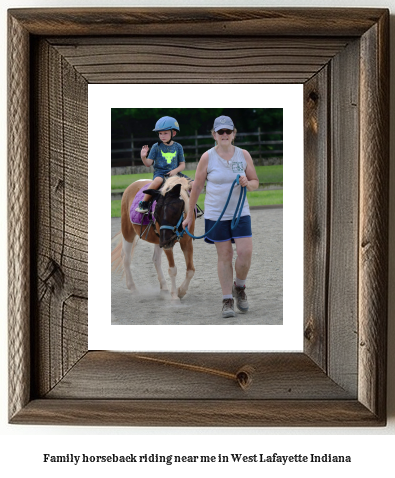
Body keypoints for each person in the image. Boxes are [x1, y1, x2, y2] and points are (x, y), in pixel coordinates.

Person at [182, 115, 259, 318]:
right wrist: (190, 215)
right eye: (220, 132)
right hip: (216, 214)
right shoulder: (207, 157)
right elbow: (197, 186)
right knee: (224, 255)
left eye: (228, 131)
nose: (224, 135)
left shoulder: (243, 155)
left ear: (233, 134)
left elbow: (255, 182)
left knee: (245, 253)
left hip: (240, 212)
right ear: (214, 135)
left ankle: (239, 287)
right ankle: (227, 299)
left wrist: (247, 183)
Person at [135, 116, 188, 213]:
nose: (162, 136)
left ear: (174, 133)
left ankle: (192, 206)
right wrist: (143, 157)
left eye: (165, 133)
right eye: (160, 133)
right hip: (160, 173)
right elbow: (148, 164)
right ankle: (144, 203)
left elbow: (182, 165)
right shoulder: (156, 147)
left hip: (175, 173)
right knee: (158, 180)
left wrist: (174, 171)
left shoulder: (178, 147)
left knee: (191, 183)